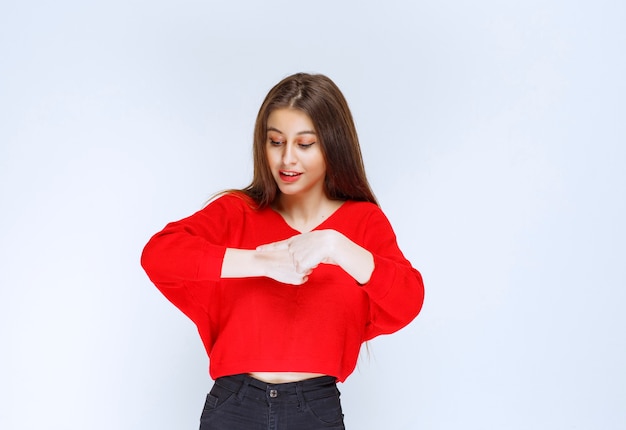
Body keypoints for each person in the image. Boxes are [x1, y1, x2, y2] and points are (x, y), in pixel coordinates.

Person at [141, 72, 425, 430]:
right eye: (275, 142)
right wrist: (261, 261)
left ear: (333, 146)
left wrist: (334, 245)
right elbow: (159, 254)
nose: (286, 159)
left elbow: (408, 299)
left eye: (304, 144)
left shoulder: (363, 221)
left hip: (316, 409)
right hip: (233, 405)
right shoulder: (236, 212)